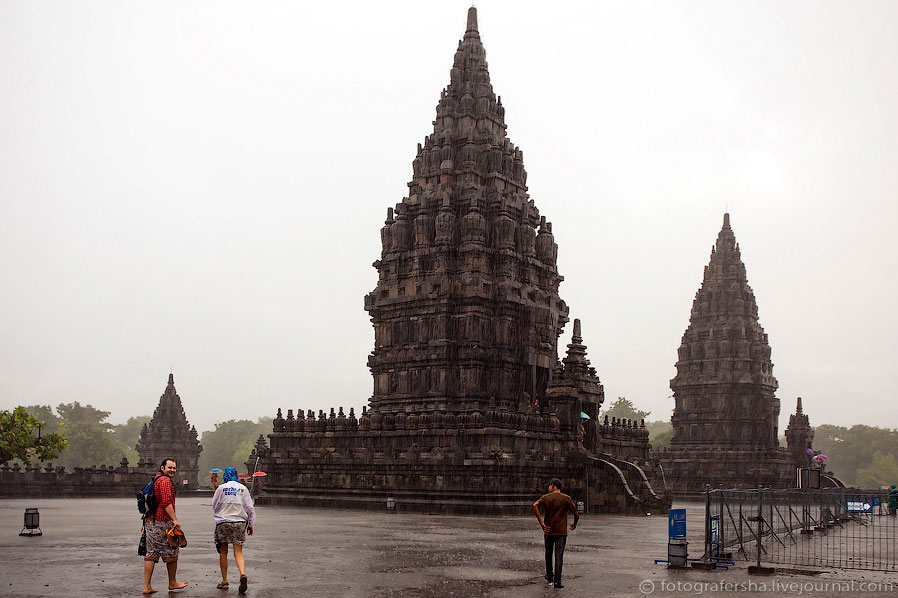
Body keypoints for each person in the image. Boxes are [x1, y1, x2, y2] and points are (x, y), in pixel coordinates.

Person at [143, 458, 189, 594]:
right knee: (172, 549)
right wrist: (174, 519)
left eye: (174, 468)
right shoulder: (164, 481)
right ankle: (172, 582)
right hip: (162, 521)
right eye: (169, 467)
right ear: (162, 467)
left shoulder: (156, 478)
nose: (172, 470)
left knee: (151, 553)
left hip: (151, 521)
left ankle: (147, 586)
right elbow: (166, 501)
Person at [212, 467, 255, 593]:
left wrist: (220, 514)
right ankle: (242, 573)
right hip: (239, 523)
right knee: (238, 552)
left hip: (223, 522)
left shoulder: (221, 488)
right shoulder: (243, 488)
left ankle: (224, 581)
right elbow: (250, 508)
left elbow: (214, 504)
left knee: (223, 551)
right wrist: (251, 525)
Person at [532, 477, 579, 589]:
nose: (548, 487)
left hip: (548, 530)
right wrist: (574, 524)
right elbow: (576, 514)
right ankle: (557, 582)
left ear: (553, 486)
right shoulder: (566, 498)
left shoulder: (546, 498)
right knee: (559, 556)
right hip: (561, 532)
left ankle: (549, 577)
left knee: (548, 553)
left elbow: (535, 505)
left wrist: (542, 523)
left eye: (549, 485)